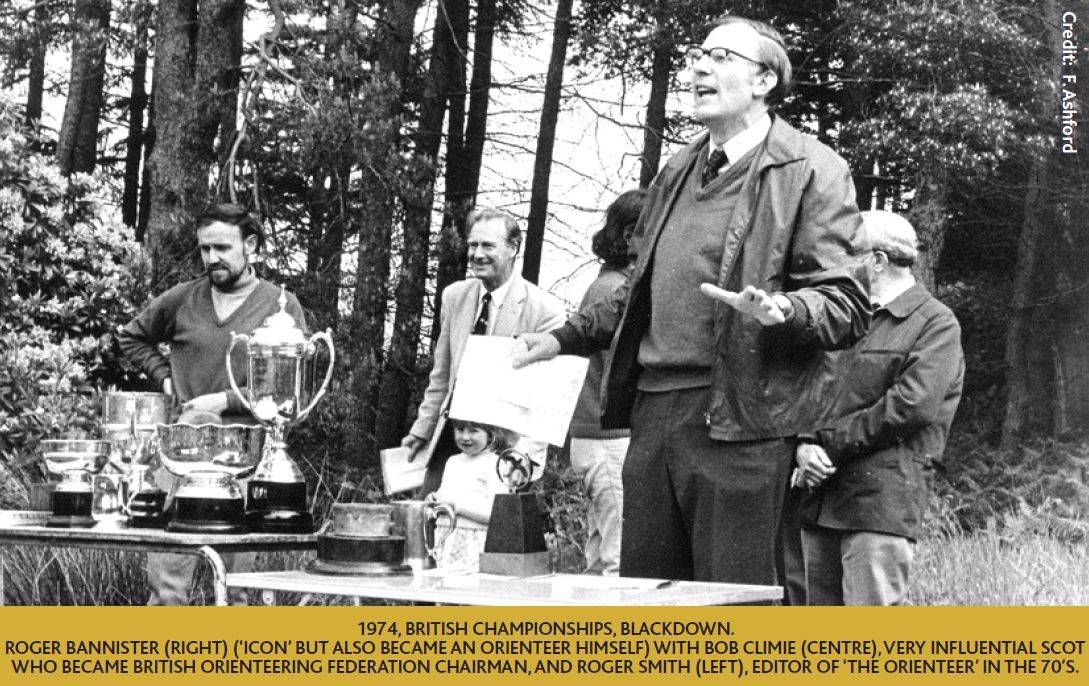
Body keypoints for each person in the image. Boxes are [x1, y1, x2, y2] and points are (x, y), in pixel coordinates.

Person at [515, 16, 870, 594]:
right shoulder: (677, 169)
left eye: (722, 56)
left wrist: (786, 310)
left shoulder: (812, 169)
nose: (700, 67)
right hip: (653, 417)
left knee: (736, 606)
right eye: (697, 55)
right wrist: (563, 337)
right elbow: (641, 289)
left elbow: (847, 303)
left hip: (742, 420)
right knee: (651, 603)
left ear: (764, 81)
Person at [117, 202, 308, 605]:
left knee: (238, 590)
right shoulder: (183, 298)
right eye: (205, 248)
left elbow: (290, 390)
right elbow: (131, 336)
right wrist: (165, 377)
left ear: (250, 245)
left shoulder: (280, 305)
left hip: (247, 458)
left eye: (222, 247)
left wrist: (224, 400)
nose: (212, 258)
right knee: (167, 586)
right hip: (182, 454)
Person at [794, 211, 964, 605]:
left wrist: (825, 442)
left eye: (848, 254)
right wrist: (804, 442)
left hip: (879, 506)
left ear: (877, 260)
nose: (838, 266)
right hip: (821, 501)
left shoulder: (937, 324)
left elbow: (911, 406)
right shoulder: (846, 318)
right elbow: (812, 388)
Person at [400, 208, 566, 493]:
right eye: (473, 245)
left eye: (488, 246)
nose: (477, 254)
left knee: (488, 521)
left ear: (513, 248)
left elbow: (547, 398)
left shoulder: (545, 311)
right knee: (431, 513)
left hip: (505, 451)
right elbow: (442, 375)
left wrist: (523, 458)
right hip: (452, 439)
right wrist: (422, 428)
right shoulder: (455, 297)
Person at [568, 189, 645, 576]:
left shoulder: (607, 283)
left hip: (596, 438)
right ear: (630, 235)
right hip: (608, 439)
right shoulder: (615, 290)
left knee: (600, 556)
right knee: (619, 559)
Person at [429, 419, 518, 570]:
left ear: (490, 434)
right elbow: (446, 496)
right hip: (446, 537)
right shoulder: (452, 461)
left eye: (473, 431)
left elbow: (498, 514)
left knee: (473, 581)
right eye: (460, 429)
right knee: (445, 580)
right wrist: (434, 499)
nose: (465, 437)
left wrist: (459, 508)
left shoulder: (495, 464)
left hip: (475, 539)